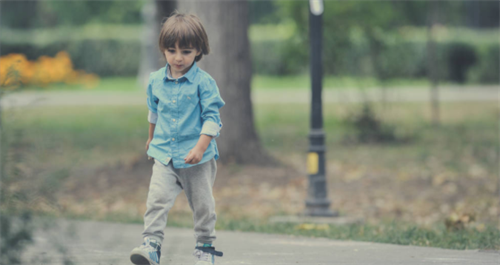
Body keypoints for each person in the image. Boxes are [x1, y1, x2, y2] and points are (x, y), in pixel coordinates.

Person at [130, 12, 225, 265]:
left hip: (198, 158)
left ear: (198, 51)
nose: (178, 57)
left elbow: (212, 119)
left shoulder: (204, 83)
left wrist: (200, 147)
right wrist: (151, 138)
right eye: (171, 50)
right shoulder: (155, 81)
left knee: (203, 206)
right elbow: (154, 111)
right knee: (156, 200)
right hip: (164, 154)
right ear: (163, 50)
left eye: (186, 51)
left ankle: (205, 248)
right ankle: (151, 245)